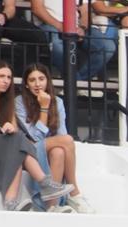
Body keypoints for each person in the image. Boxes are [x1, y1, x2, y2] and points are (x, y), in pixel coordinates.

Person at [0, 61, 73, 212]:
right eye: (1, 76)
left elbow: (15, 131)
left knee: (16, 147)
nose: (6, 80)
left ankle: (11, 201)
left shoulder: (7, 103)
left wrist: (10, 129)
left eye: (9, 77)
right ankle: (44, 184)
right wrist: (3, 133)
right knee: (16, 141)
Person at [16, 66, 92, 212]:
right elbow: (34, 137)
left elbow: (60, 134)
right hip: (28, 151)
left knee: (59, 151)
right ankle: (74, 192)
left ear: (48, 81)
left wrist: (54, 143)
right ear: (26, 84)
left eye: (41, 79)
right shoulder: (19, 102)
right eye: (32, 80)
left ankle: (52, 205)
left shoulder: (57, 101)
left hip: (48, 148)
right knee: (68, 140)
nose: (37, 84)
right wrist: (44, 108)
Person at [31, 0, 117, 82]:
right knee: (57, 46)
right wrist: (61, 26)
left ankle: (76, 82)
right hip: (49, 24)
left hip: (76, 26)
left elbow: (85, 11)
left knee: (107, 46)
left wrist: (82, 28)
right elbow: (37, 9)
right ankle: (76, 84)